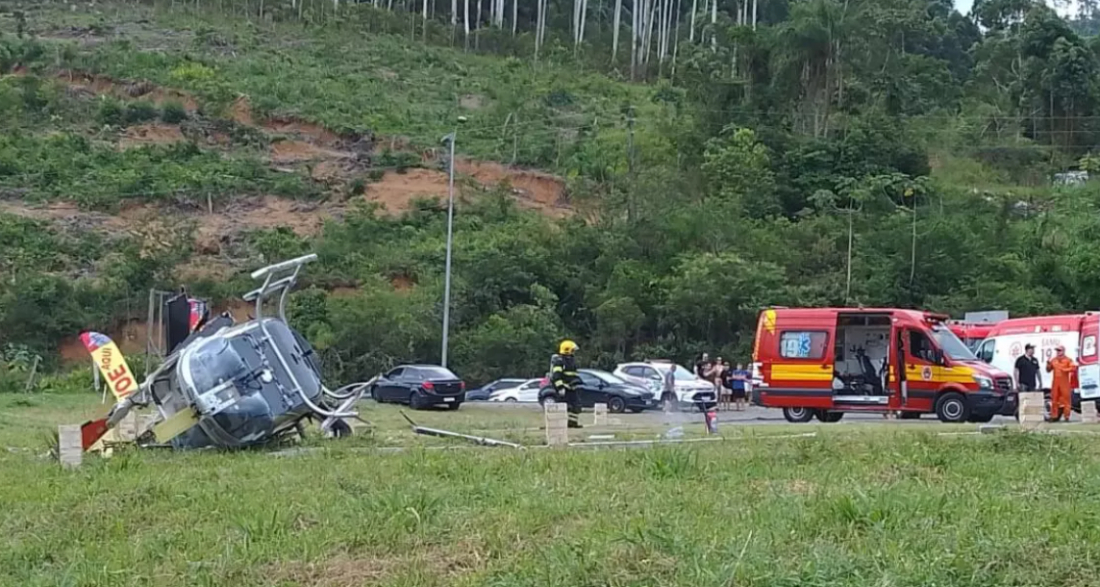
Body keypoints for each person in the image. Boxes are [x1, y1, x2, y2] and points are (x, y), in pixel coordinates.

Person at [550, 339, 583, 429]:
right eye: (572, 350)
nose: (574, 352)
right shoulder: (560, 361)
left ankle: (572, 423)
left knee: (576, 406)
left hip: (572, 388)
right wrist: (560, 387)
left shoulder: (572, 361)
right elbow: (556, 376)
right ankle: (559, 424)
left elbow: (572, 375)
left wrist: (576, 381)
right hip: (564, 388)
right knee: (562, 407)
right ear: (567, 350)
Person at [1046, 345, 1077, 423]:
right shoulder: (1054, 360)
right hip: (1055, 382)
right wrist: (1048, 364)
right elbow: (1048, 370)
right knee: (1054, 399)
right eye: (1057, 350)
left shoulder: (1068, 360)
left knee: (1066, 400)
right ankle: (1054, 416)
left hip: (1064, 382)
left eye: (1059, 350)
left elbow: (1073, 368)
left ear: (1063, 351)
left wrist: (1065, 369)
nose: (1058, 352)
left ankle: (1066, 416)